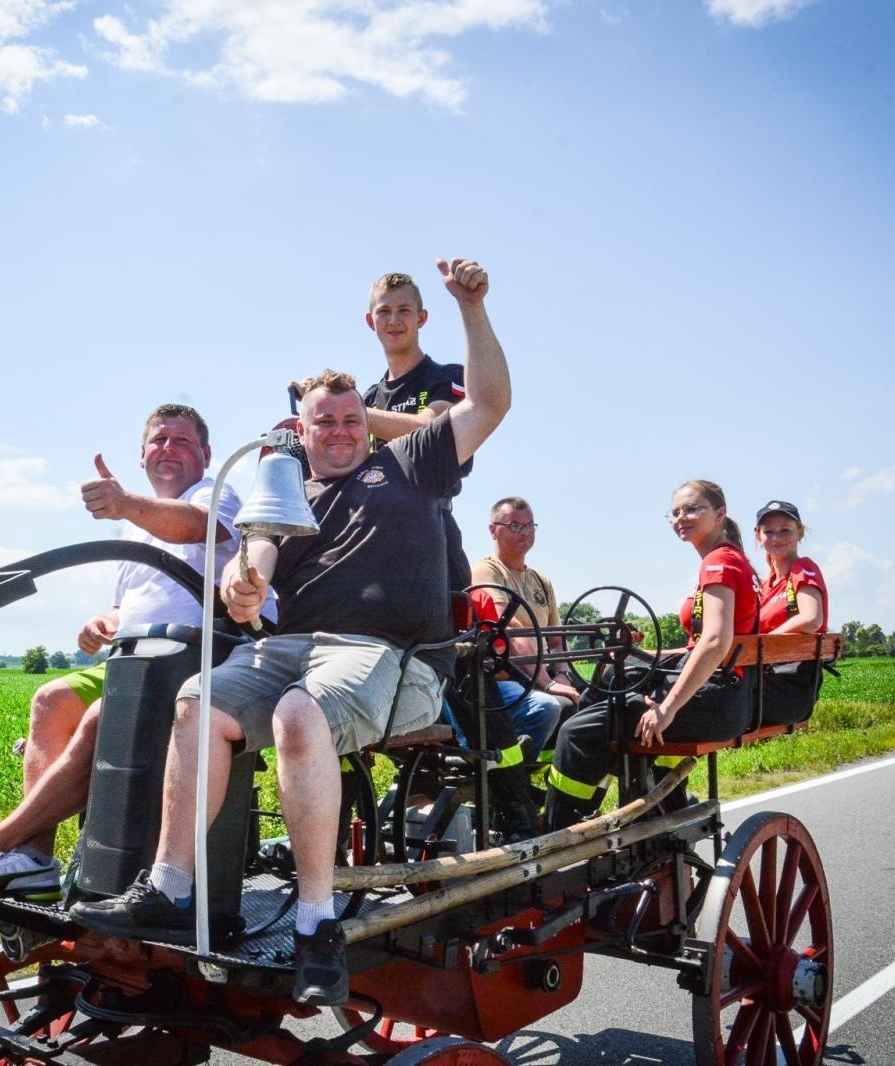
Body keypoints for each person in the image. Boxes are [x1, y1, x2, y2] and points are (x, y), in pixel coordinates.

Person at [71, 257, 511, 1007]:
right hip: (288, 650)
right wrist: (246, 581)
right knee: (195, 704)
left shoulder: (410, 463)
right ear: (300, 431)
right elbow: (261, 549)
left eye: (350, 421)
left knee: (299, 715)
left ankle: (315, 923)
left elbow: (490, 405)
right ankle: (169, 887)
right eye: (323, 424)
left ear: (364, 427)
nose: (339, 433)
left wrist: (471, 308)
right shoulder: (288, 488)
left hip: (390, 657)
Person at [0, 404, 272, 897]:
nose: (168, 449)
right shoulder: (136, 528)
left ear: (206, 453)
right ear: (142, 455)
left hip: (192, 662)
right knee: (51, 700)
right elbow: (131, 605)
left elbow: (197, 525)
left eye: (182, 441)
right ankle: (33, 859)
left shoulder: (213, 494)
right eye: (158, 440)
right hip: (133, 659)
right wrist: (105, 622)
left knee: (104, 715)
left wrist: (126, 504)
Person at [544, 480, 759, 828]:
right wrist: (641, 654)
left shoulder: (719, 563)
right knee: (612, 677)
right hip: (724, 693)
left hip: (715, 699)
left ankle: (558, 831)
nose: (681, 518)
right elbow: (700, 645)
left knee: (577, 732)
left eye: (691, 509)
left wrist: (666, 709)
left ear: (720, 514)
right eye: (675, 512)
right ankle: (658, 803)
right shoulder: (725, 559)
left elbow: (716, 641)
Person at [361, 271, 474, 593]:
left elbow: (429, 430)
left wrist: (347, 412)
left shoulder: (447, 376)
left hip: (431, 537)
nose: (393, 320)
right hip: (371, 541)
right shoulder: (368, 399)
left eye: (404, 310)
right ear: (371, 321)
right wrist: (319, 405)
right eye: (384, 311)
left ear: (421, 318)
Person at [469, 497, 580, 754]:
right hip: (508, 673)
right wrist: (548, 684)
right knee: (553, 706)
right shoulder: (487, 572)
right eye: (516, 526)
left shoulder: (541, 580)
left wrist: (562, 673)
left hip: (543, 673)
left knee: (601, 702)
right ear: (493, 529)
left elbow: (555, 639)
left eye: (530, 526)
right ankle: (516, 779)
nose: (525, 533)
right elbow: (511, 630)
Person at [754, 500, 830, 725]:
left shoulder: (802, 568)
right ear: (758, 535)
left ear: (800, 532)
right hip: (764, 679)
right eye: (769, 532)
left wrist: (765, 641)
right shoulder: (764, 585)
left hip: (789, 684)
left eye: (785, 530)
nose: (776, 538)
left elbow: (810, 618)